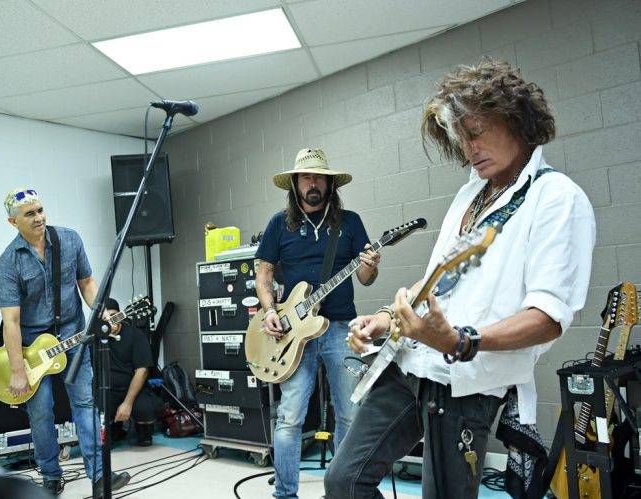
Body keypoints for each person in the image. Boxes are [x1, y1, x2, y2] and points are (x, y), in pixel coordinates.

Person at [324, 58, 596, 498]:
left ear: (516, 120)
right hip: (410, 363)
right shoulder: (470, 192)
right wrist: (388, 319)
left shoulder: (557, 198)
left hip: (466, 381)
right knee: (344, 481)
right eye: (460, 138)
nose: (469, 149)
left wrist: (461, 341)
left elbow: (547, 316)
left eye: (477, 132)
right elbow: (437, 281)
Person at [255, 148, 382, 498]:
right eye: (306, 177)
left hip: (341, 328)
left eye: (320, 177)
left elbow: (368, 278)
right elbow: (263, 273)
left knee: (350, 415)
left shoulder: (350, 222)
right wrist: (269, 311)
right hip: (293, 333)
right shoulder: (278, 224)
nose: (313, 183)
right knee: (289, 418)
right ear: (295, 184)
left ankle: (342, 492)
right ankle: (284, 493)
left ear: (330, 183)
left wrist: (370, 263)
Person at [0, 188, 130, 497]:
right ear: (13, 221)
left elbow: (87, 283)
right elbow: (11, 321)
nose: (39, 217)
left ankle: (98, 475)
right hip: (31, 342)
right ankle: (51, 476)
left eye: (41, 209)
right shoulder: (9, 261)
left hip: (73, 332)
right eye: (30, 214)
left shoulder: (69, 240)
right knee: (42, 411)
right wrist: (18, 370)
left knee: (85, 401)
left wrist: (103, 314)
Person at [103, 297, 164, 447]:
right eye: (105, 318)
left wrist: (127, 403)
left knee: (147, 407)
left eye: (114, 315)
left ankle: (143, 431)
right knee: (101, 439)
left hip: (133, 390)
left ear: (120, 315)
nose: (111, 320)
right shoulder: (96, 338)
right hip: (106, 391)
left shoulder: (135, 335)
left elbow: (142, 371)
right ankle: (115, 428)